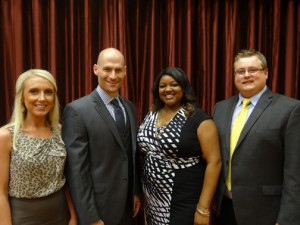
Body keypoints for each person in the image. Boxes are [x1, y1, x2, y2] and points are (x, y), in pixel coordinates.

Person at [213, 49, 300, 225]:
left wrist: (287, 219)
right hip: (225, 208)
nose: (246, 75)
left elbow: (295, 171)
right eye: (240, 71)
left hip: (266, 212)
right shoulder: (220, 108)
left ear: (266, 73)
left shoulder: (290, 109)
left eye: (253, 70)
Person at [62, 48, 141, 225]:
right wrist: (90, 217)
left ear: (125, 71)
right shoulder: (77, 110)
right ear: (96, 69)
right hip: (98, 209)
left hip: (127, 208)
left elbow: (130, 154)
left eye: (118, 70)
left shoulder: (129, 107)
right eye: (107, 69)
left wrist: (135, 192)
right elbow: (77, 170)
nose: (113, 76)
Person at [137, 67, 222, 225]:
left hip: (184, 200)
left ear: (183, 88)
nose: (168, 89)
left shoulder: (199, 119)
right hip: (152, 200)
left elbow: (214, 162)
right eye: (162, 86)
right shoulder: (151, 114)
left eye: (174, 84)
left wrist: (203, 208)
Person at [0, 69, 77, 225]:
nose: (42, 98)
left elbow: (67, 180)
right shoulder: (5, 136)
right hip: (23, 218)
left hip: (61, 216)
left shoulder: (61, 131)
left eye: (48, 92)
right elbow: (0, 192)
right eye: (34, 92)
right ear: (22, 97)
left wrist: (73, 217)